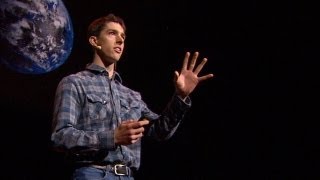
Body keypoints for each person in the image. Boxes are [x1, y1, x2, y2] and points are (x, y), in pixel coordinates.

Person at [51, 13, 214, 180]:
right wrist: (112, 137)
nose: (120, 40)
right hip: (93, 173)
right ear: (95, 41)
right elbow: (61, 137)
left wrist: (180, 96)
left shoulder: (132, 96)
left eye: (123, 36)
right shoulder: (74, 83)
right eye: (112, 33)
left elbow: (159, 131)